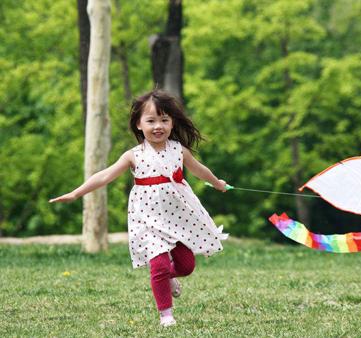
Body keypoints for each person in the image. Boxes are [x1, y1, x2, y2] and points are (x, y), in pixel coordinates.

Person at [49, 89, 228, 327]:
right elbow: (104, 176)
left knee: (186, 266)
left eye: (164, 120)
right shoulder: (133, 155)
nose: (158, 126)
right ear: (138, 124)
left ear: (172, 123)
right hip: (148, 219)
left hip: (179, 216)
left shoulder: (179, 150)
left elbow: (199, 169)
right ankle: (166, 315)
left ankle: (167, 278)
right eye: (151, 120)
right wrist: (76, 193)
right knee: (159, 265)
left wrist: (217, 183)